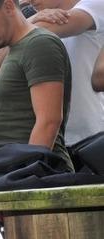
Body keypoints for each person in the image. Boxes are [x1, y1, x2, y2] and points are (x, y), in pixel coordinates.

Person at [0, 0, 72, 169]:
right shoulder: (15, 50)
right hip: (16, 167)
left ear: (8, 6)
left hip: (36, 173)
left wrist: (27, 174)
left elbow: (49, 121)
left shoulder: (39, 44)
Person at [28, 0, 104, 147]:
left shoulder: (95, 4)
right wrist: (31, 19)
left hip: (92, 135)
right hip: (58, 137)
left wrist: (25, 24)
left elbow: (13, 37)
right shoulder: (39, 20)